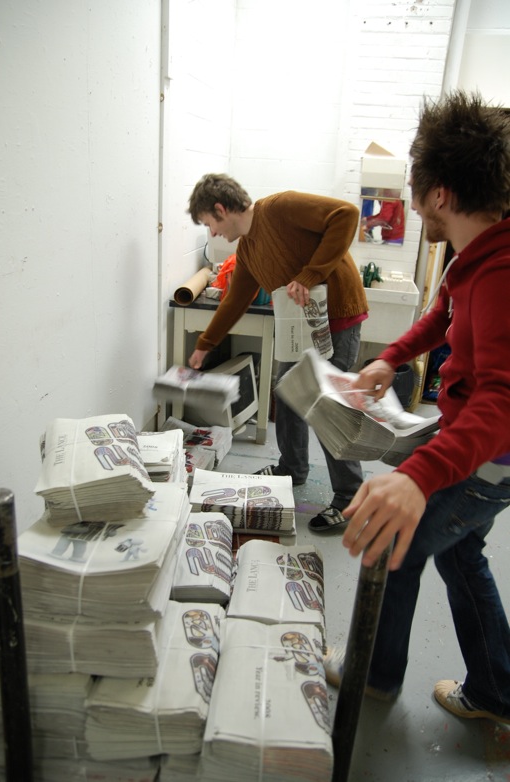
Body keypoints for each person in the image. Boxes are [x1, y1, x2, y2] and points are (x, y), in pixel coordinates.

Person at [325, 90, 510, 725]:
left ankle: (373, 677)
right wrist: (388, 358)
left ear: (440, 195)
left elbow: (502, 401)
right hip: (481, 444)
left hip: (493, 458)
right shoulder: (476, 249)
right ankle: (495, 690)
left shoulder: (502, 271)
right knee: (462, 555)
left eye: (415, 184)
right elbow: (444, 316)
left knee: (388, 538)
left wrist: (417, 475)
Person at [187, 174, 369, 532]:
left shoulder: (281, 208)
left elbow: (346, 214)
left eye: (210, 224)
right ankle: (293, 467)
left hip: (336, 318)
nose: (213, 234)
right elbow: (235, 299)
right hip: (299, 326)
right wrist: (205, 345)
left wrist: (310, 274)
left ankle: (350, 499)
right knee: (286, 394)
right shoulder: (249, 250)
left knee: (327, 408)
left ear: (222, 209)